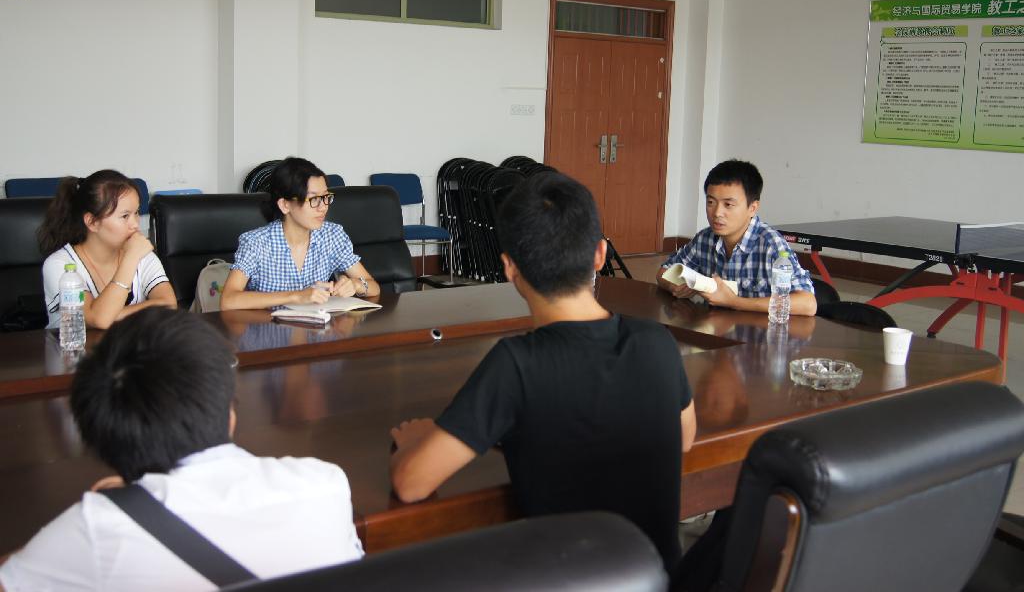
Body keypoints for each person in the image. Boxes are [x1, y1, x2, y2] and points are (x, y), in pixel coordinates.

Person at [389, 172, 697, 571]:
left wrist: (413, 442)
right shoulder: (657, 342)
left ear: (509, 268)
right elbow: (684, 437)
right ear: (600, 255)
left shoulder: (517, 364)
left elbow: (411, 484)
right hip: (659, 577)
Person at [0, 308, 363, 591]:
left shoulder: (99, 527)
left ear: (101, 437)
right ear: (230, 411)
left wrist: (120, 505)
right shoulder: (324, 485)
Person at [657, 159, 816, 316]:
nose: (717, 213)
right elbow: (663, 272)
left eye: (728, 205)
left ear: (752, 208)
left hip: (759, 330)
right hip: (715, 327)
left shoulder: (770, 244)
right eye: (711, 202)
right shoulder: (705, 238)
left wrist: (734, 302)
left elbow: (808, 304)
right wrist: (674, 287)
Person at [220, 157, 380, 310]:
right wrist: (296, 296)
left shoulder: (332, 235)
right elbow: (228, 300)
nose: (323, 207)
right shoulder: (256, 242)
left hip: (318, 327)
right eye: (314, 199)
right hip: (268, 327)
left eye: (325, 197)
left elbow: (373, 286)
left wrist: (356, 285)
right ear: (285, 205)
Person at [38, 170, 177, 330]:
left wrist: (111, 316)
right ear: (92, 222)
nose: (135, 224)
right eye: (125, 216)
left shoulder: (143, 256)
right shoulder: (60, 265)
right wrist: (130, 259)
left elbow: (168, 305)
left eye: (137, 213)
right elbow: (99, 319)